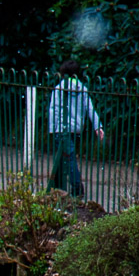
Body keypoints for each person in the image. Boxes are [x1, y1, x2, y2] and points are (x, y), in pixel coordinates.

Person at [47, 60, 104, 199]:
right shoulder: (82, 89)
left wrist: (53, 129)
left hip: (61, 128)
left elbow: (54, 110)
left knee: (68, 158)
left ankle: (77, 187)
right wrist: (98, 126)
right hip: (76, 128)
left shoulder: (59, 88)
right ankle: (58, 188)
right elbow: (90, 108)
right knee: (65, 157)